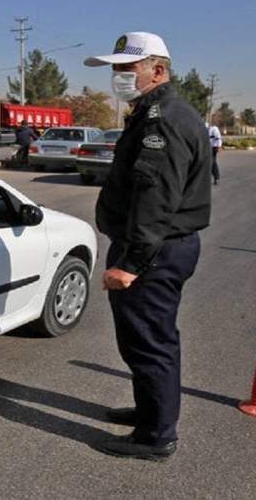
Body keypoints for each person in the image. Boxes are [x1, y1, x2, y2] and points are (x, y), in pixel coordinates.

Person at [84, 31, 211, 460]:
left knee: (148, 342)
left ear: (157, 70)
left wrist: (132, 263)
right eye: (115, 69)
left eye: (126, 68)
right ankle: (150, 413)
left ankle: (155, 436)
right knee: (149, 339)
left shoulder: (164, 120)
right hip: (157, 246)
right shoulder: (153, 113)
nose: (118, 76)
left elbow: (155, 198)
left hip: (153, 251)